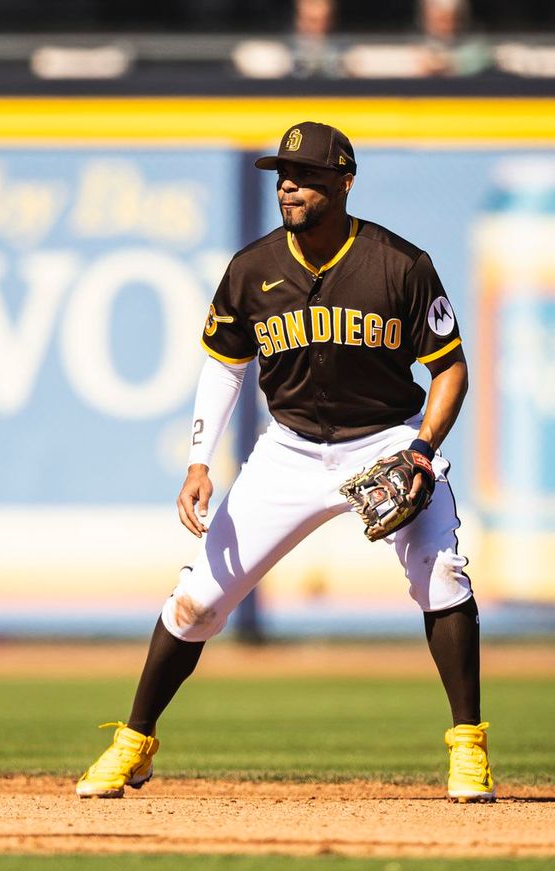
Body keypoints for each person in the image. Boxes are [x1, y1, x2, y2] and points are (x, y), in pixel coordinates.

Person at [76, 122, 493, 804]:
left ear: (345, 181)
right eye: (281, 174)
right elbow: (224, 362)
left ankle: (469, 746)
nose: (289, 185)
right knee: (197, 601)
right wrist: (198, 460)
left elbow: (450, 371)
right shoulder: (252, 267)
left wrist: (421, 451)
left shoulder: (399, 264)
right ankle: (135, 741)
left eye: (304, 174)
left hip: (386, 436)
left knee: (440, 573)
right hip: (291, 447)